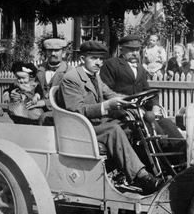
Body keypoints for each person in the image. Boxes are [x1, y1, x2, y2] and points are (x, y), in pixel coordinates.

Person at [57, 40, 164, 195]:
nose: (99, 63)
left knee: (133, 124)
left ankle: (151, 169)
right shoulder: (71, 79)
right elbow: (77, 110)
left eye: (101, 59)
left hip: (96, 124)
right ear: (82, 59)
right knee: (114, 129)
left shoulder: (95, 76)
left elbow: (111, 95)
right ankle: (141, 176)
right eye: (93, 58)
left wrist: (130, 101)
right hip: (81, 126)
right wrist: (107, 106)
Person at [100, 35, 184, 146]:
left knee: (166, 122)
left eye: (137, 50)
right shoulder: (112, 64)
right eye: (131, 50)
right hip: (121, 112)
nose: (135, 53)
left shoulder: (140, 68)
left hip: (140, 112)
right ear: (122, 49)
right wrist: (125, 103)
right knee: (150, 127)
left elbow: (147, 90)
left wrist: (155, 106)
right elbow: (105, 91)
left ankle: (180, 153)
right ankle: (162, 155)